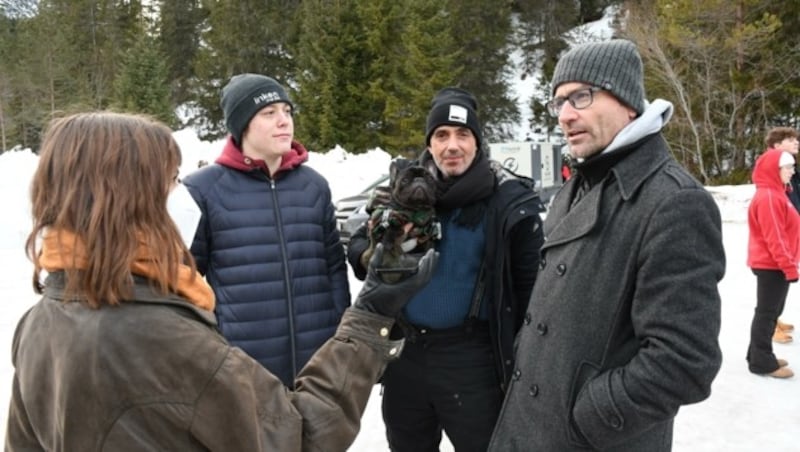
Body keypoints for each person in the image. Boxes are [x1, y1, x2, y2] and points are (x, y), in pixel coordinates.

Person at [5, 111, 437, 451]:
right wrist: (369, 316)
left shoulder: (41, 321)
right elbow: (301, 436)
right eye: (170, 182)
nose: (181, 197)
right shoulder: (163, 338)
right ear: (130, 202)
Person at [488, 39, 725, 451]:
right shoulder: (576, 185)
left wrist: (588, 416)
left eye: (581, 96)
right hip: (525, 425)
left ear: (628, 102)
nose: (565, 115)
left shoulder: (674, 202)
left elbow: (684, 361)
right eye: (559, 102)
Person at [347, 87, 545, 452]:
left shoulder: (507, 199)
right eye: (441, 135)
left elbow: (531, 288)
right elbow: (358, 244)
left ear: (477, 142)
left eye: (462, 134)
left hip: (472, 360)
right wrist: (374, 254)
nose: (452, 145)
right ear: (430, 143)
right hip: (406, 356)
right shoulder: (406, 188)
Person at [182, 74, 350, 388]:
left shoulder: (313, 186)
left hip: (318, 369)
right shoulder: (203, 190)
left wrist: (340, 340)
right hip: (244, 373)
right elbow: (183, 280)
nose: (284, 121)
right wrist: (210, 348)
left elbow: (334, 270)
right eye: (269, 113)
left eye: (287, 111)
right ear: (242, 124)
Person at [745, 149, 798, 379]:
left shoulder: (777, 193)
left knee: (771, 311)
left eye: (793, 167)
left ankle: (757, 354)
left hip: (775, 263)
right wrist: (788, 267)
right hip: (771, 265)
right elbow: (774, 236)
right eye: (788, 168)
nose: (792, 172)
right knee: (767, 313)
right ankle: (761, 362)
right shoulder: (768, 197)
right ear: (775, 170)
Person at [763, 126, 799, 344]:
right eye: (790, 140)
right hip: (778, 242)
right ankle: (771, 324)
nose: (796, 142)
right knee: (772, 288)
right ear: (777, 146)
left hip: (790, 233)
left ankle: (775, 318)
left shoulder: (789, 167)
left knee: (780, 287)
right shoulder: (772, 168)